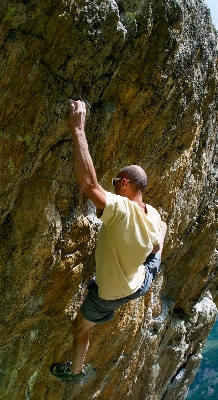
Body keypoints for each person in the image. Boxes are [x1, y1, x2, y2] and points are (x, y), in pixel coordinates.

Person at [50, 100, 167, 381]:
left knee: (80, 328)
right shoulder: (153, 215)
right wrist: (159, 236)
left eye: (115, 182)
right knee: (158, 241)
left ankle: (75, 372)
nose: (112, 186)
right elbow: (155, 246)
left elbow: (88, 185)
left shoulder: (120, 209)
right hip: (141, 281)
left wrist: (78, 128)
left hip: (112, 294)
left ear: (125, 183)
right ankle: (157, 244)